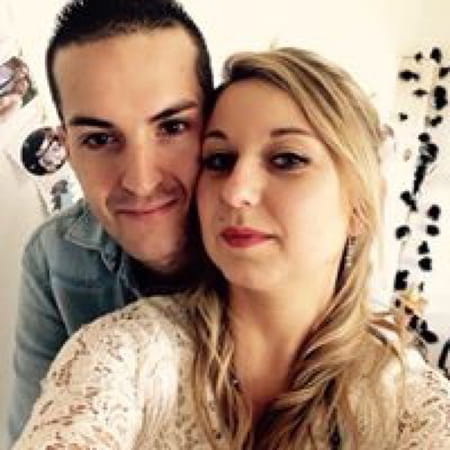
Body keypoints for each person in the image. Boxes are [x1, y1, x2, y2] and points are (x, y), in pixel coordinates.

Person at [13, 48, 450, 449]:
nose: (235, 191)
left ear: (360, 205)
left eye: (286, 159)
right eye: (219, 160)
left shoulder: (408, 399)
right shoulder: (124, 354)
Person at [7, 0, 212, 445]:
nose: (140, 182)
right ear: (66, 147)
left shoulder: (281, 242)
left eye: (172, 127)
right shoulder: (54, 256)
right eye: (99, 139)